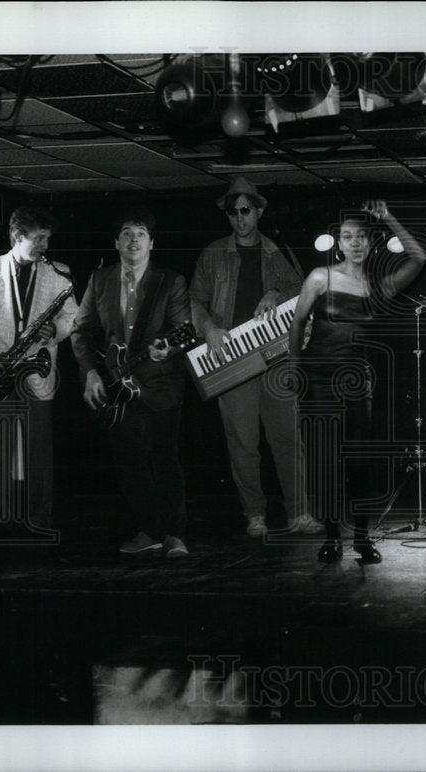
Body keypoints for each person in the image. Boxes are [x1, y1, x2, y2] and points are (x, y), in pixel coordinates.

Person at [288, 200, 426, 564]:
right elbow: (298, 323)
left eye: (361, 236)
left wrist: (388, 217)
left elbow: (419, 258)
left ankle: (363, 538)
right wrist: (295, 367)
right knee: (325, 459)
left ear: (370, 242)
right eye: (347, 236)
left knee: (360, 460)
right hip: (318, 379)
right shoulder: (320, 277)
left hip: (357, 382)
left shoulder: (379, 286)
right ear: (338, 242)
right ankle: (333, 536)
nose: (354, 242)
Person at [189, 177, 318, 538]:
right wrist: (209, 328)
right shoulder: (214, 252)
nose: (239, 218)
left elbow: (300, 290)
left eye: (245, 211)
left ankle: (300, 514)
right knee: (243, 443)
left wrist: (275, 290)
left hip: (276, 357)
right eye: (232, 212)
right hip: (231, 356)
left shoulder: (276, 250)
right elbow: (194, 299)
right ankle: (255, 515)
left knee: (288, 439)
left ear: (259, 211)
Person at [71, 206, 192, 557]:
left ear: (151, 243)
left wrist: (165, 349)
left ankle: (175, 535)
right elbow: (81, 332)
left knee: (165, 462)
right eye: (127, 232)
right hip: (115, 388)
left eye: (140, 232)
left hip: (160, 386)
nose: (133, 239)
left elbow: (182, 330)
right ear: (116, 242)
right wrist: (91, 372)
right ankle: (150, 530)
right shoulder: (100, 280)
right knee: (130, 463)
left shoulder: (171, 281)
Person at [0, 206, 79, 534]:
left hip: (38, 372)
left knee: (40, 456)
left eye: (48, 239)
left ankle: (40, 520)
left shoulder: (59, 273)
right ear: (16, 237)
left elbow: (74, 318)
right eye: (38, 238)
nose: (45, 246)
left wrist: (56, 330)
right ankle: (0, 520)